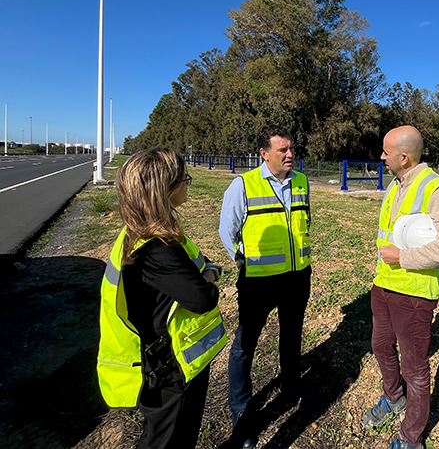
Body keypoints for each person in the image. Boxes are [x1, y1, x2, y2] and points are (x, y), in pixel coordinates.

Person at [97, 147, 227, 449]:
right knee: (168, 441)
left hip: (160, 362)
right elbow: (203, 298)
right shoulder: (158, 250)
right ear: (163, 190)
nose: (188, 182)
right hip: (170, 371)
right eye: (184, 179)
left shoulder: (137, 235)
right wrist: (209, 274)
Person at [362, 126, 439, 449]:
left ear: (403, 157)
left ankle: (411, 439)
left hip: (414, 293)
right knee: (380, 347)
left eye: (386, 152)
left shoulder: (434, 189)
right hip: (384, 285)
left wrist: (403, 257)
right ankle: (394, 398)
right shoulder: (396, 185)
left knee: (415, 369)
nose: (381, 157)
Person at [219, 124, 312, 448]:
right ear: (264, 153)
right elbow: (226, 232)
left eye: (291, 148)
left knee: (291, 335)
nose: (290, 154)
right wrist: (244, 261)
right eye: (282, 150)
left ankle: (291, 386)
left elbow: (305, 222)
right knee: (246, 345)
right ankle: (242, 413)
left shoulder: (301, 181)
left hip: (297, 277)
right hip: (258, 282)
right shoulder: (243, 185)